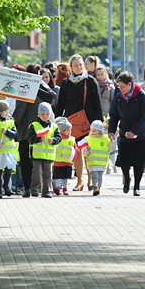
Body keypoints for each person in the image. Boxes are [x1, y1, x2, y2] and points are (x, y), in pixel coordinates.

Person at [53, 54, 103, 191]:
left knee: (87, 150)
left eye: (81, 64)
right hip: (71, 123)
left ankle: (91, 180)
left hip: (88, 122)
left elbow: (97, 104)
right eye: (76, 65)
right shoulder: (66, 83)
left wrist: (99, 123)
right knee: (76, 151)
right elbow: (61, 104)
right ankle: (79, 180)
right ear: (71, 67)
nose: (79, 67)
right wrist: (57, 121)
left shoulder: (91, 81)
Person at [12, 63, 56, 197]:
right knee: (42, 162)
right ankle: (42, 188)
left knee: (26, 161)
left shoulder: (26, 87)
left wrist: (13, 121)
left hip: (27, 130)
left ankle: (28, 188)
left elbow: (20, 109)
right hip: (44, 130)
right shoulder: (45, 87)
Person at [108, 71, 145, 196]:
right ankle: (127, 180)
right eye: (119, 87)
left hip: (141, 134)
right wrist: (111, 131)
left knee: (139, 163)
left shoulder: (141, 96)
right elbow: (114, 115)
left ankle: (137, 187)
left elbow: (144, 117)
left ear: (130, 84)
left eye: (122, 86)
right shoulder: (119, 97)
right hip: (124, 133)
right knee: (124, 161)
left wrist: (134, 132)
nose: (120, 89)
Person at [28, 102, 61, 198]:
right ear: (38, 114)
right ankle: (35, 189)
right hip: (37, 155)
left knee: (48, 175)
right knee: (36, 173)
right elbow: (29, 138)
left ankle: (47, 191)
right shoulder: (34, 125)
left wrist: (53, 140)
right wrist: (38, 139)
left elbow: (59, 138)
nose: (45, 116)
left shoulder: (54, 126)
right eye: (42, 114)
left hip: (48, 155)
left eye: (47, 114)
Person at [82, 120, 109, 196]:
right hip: (92, 163)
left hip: (102, 163)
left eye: (95, 130)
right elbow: (81, 147)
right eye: (91, 130)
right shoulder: (88, 138)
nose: (92, 132)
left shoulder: (105, 139)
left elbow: (112, 147)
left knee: (100, 177)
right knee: (95, 176)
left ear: (100, 131)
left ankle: (98, 188)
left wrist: (113, 140)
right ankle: (95, 187)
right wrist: (85, 151)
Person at [52, 117, 75, 195]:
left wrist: (76, 151)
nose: (69, 132)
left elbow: (74, 148)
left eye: (70, 130)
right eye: (68, 130)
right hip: (58, 161)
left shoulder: (71, 139)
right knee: (58, 176)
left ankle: (65, 188)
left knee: (66, 177)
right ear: (61, 130)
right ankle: (58, 188)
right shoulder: (58, 138)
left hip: (68, 162)